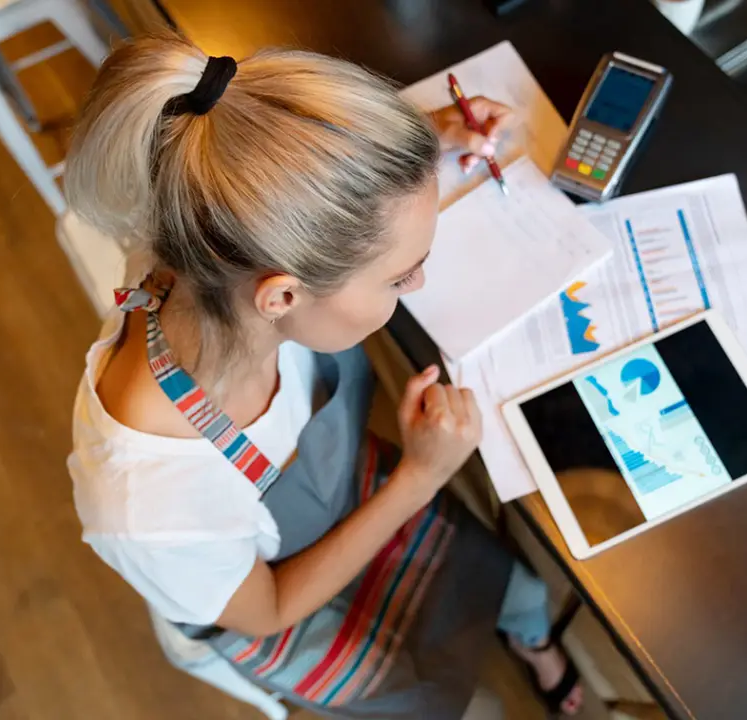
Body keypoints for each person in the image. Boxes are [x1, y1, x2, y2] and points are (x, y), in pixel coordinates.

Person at [65, 34, 585, 718]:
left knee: (502, 579)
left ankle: (532, 639)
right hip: (284, 598)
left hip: (340, 488)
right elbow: (270, 610)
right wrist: (421, 479)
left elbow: (263, 172)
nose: (419, 280)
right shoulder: (151, 505)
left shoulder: (204, 244)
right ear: (281, 296)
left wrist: (425, 142)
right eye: (401, 275)